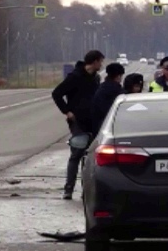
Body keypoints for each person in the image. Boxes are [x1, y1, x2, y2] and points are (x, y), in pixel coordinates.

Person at [52, 49, 103, 200]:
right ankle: (69, 189)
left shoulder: (96, 78)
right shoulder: (75, 77)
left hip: (93, 122)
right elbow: (57, 93)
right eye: (100, 61)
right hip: (77, 122)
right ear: (94, 62)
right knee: (77, 154)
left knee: (89, 157)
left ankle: (85, 190)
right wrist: (67, 111)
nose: (101, 64)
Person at [91, 62, 125, 134]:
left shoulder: (101, 87)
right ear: (118, 76)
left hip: (98, 125)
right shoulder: (116, 91)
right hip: (109, 126)